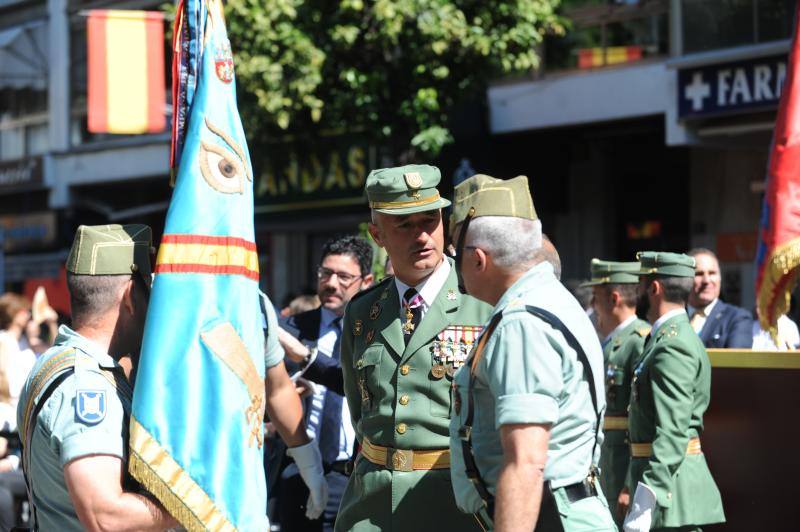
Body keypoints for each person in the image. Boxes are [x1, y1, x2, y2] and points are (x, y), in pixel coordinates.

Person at [448, 174, 615, 532]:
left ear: (478, 258)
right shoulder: (551, 300)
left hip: (547, 518)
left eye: (454, 251)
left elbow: (525, 461)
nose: (452, 262)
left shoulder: (521, 323)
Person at [335, 164, 492, 531]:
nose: (422, 236)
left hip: (456, 506)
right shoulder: (363, 312)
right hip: (371, 507)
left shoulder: (482, 300)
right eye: (404, 224)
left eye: (429, 220)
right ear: (377, 234)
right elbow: (360, 411)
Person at [16, 224, 177, 531]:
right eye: (149, 292)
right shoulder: (86, 385)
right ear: (131, 295)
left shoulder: (57, 360)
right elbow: (105, 517)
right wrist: (197, 506)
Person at [277, 235, 374, 531]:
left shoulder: (375, 332)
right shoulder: (289, 331)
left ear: (366, 281)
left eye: (344, 276)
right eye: (325, 273)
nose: (332, 283)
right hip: (298, 470)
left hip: (354, 474)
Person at [623, 251, 725, 532]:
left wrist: (648, 498)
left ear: (654, 288)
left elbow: (673, 429)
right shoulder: (665, 337)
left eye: (640, 284)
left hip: (671, 492)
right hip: (664, 485)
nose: (636, 291)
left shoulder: (672, 344)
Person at [583, 258, 650, 525]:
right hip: (608, 463)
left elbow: (641, 418)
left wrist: (628, 483)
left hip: (623, 466)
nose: (592, 307)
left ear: (614, 298)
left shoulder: (638, 341)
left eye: (595, 298)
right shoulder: (613, 343)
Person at [686, 248, 752, 348]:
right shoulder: (673, 317)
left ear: (720, 278)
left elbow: (737, 361)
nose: (706, 280)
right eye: (699, 274)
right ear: (685, 279)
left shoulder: (737, 318)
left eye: (712, 273)